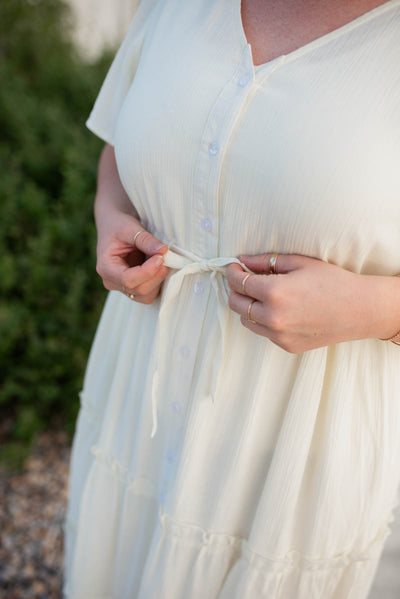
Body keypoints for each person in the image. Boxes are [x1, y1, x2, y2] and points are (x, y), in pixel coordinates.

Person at [64, 1, 400, 597]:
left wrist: (372, 310)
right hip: (140, 403)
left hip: (293, 466)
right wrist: (110, 216)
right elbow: (123, 140)